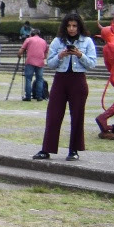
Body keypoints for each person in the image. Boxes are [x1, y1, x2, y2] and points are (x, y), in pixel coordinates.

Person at [36, 12, 97, 161]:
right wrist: (60, 55)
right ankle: (46, 149)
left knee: (77, 115)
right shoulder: (58, 41)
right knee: (53, 115)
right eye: (69, 25)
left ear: (79, 26)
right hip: (60, 79)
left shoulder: (87, 41)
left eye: (74, 26)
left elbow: (92, 64)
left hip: (78, 80)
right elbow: (49, 63)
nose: (71, 29)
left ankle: (73, 150)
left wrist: (79, 54)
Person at [20, 26, 48, 102]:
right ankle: (39, 96)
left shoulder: (28, 40)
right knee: (39, 79)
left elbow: (21, 51)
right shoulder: (43, 41)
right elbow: (45, 54)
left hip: (30, 61)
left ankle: (28, 96)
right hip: (40, 61)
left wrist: (19, 55)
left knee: (28, 79)